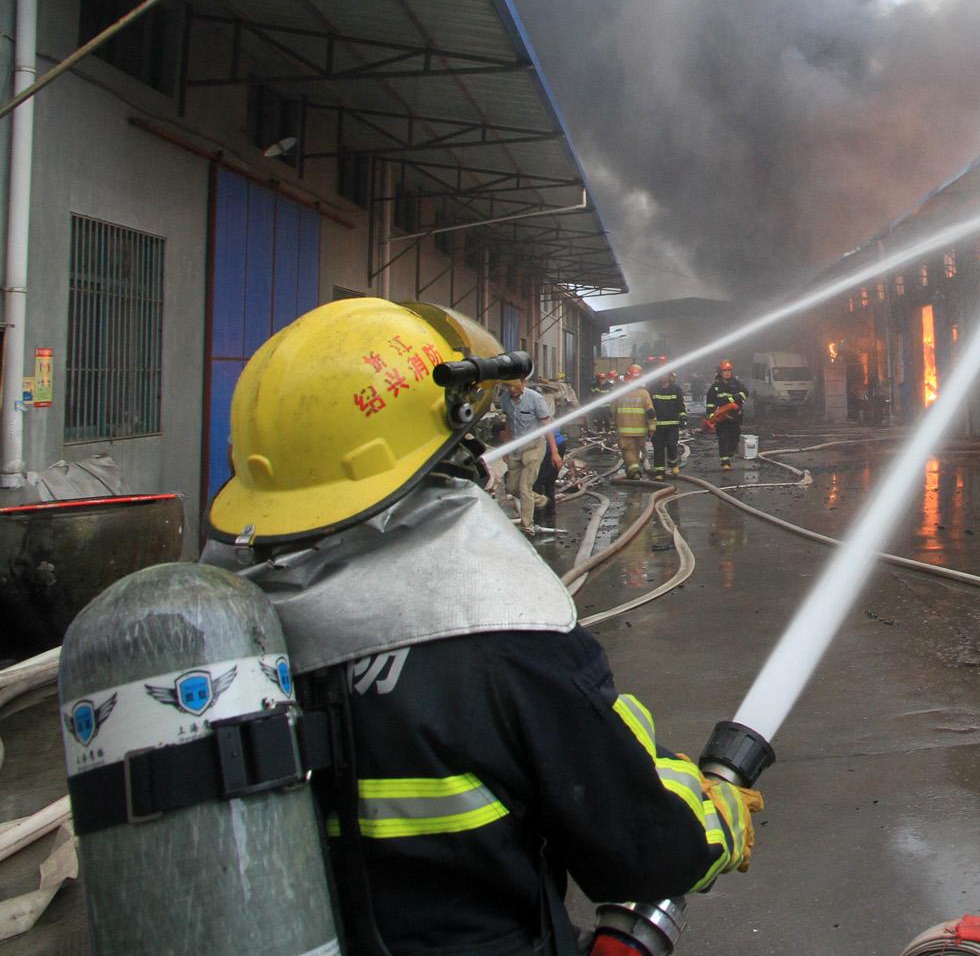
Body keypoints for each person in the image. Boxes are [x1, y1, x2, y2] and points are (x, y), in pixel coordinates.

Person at [205, 298, 761, 955]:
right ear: (449, 449)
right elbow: (644, 853)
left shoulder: (211, 641)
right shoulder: (503, 638)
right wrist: (713, 810)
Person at [493, 376, 556, 535]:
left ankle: (527, 526)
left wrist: (554, 452)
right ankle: (540, 500)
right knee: (512, 488)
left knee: (524, 487)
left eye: (515, 385)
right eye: (508, 385)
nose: (511, 389)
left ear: (524, 383)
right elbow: (509, 423)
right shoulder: (505, 398)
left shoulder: (535, 399)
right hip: (516, 447)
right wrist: (506, 448)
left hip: (534, 447)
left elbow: (547, 426)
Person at [706, 360, 750, 472]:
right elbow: (710, 403)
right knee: (723, 437)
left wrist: (733, 398)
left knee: (735, 438)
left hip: (735, 416)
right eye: (725, 371)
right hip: (722, 417)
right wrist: (711, 416)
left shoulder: (737, 383)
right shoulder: (715, 387)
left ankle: (730, 453)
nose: (727, 373)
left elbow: (745, 393)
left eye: (729, 370)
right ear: (720, 372)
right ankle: (725, 461)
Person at [614, 365, 656, 478]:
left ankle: (634, 470)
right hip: (641, 431)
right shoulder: (644, 393)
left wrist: (614, 423)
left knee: (628, 451)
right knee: (637, 450)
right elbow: (651, 412)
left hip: (624, 431)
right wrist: (652, 428)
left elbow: (612, 410)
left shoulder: (619, 392)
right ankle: (635, 469)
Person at [651, 371, 689, 477]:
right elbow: (648, 406)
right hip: (657, 425)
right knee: (658, 448)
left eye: (665, 374)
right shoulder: (652, 389)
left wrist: (683, 417)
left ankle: (673, 463)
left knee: (672, 445)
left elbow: (681, 406)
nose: (663, 376)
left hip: (672, 424)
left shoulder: (676, 389)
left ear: (669, 376)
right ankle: (659, 471)